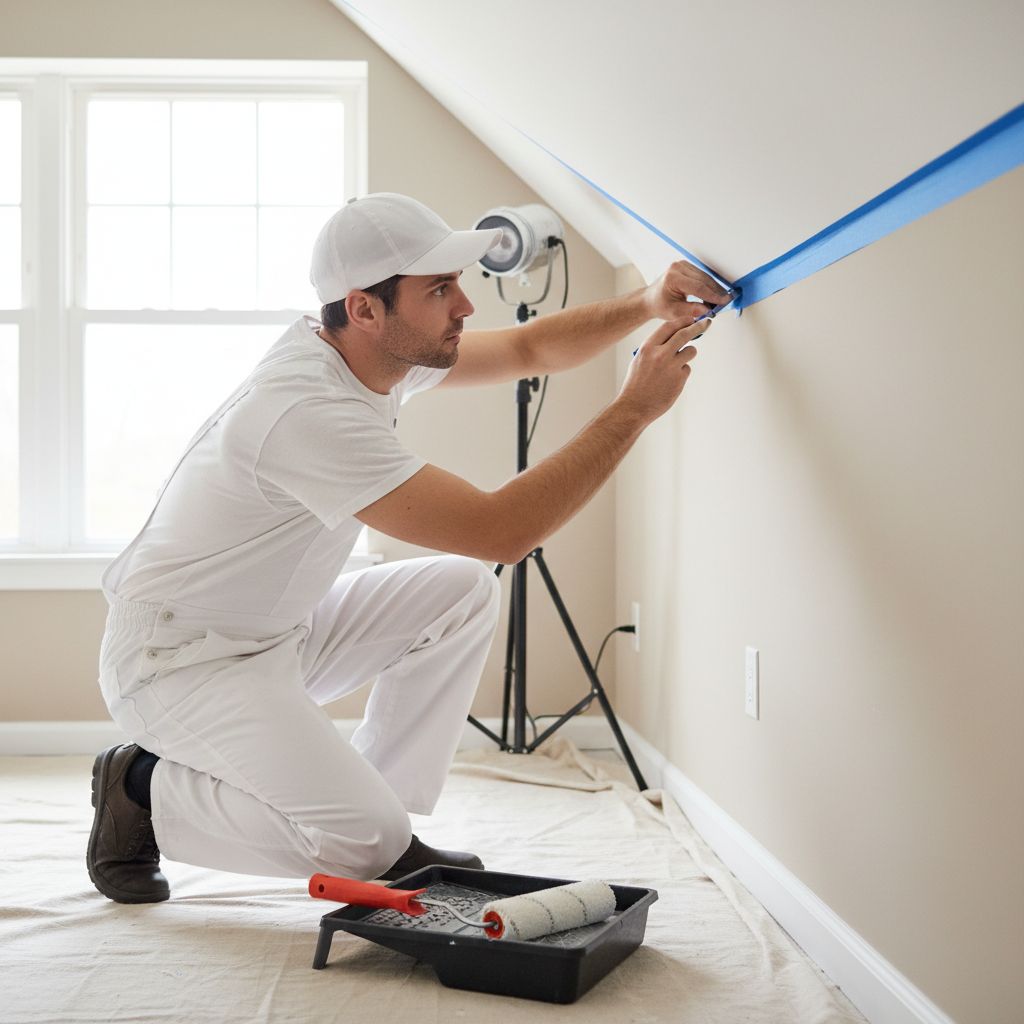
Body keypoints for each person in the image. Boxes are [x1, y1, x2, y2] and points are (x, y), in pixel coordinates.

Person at [87, 192, 731, 904]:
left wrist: (647, 302)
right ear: (365, 309)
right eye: (440, 290)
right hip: (179, 661)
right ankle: (140, 787)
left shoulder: (362, 352)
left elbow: (527, 348)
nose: (465, 306)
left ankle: (383, 824)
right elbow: (503, 532)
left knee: (460, 591)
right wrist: (635, 406)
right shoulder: (305, 411)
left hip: (272, 634)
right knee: (358, 843)